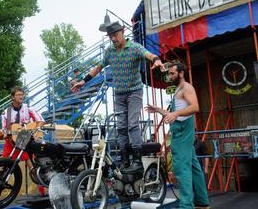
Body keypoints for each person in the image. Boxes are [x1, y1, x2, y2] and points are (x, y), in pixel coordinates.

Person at [71, 21, 164, 173]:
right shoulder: (109, 51)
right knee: (121, 126)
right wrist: (83, 81)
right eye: (110, 36)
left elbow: (148, 54)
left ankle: (137, 160)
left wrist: (157, 60)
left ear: (123, 32)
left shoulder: (134, 47)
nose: (113, 39)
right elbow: (98, 67)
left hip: (134, 91)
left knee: (133, 124)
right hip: (119, 93)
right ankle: (125, 159)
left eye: (115, 35)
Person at [145, 62, 209, 209]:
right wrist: (158, 110)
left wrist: (177, 113)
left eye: (173, 73)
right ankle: (202, 200)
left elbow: (195, 107)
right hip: (182, 129)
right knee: (193, 167)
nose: (170, 75)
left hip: (182, 132)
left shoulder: (186, 87)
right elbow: (175, 114)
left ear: (181, 73)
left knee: (181, 168)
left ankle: (186, 205)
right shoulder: (179, 89)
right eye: (170, 73)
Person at [0, 86, 46, 196]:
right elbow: (5, 131)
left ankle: (43, 192)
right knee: (3, 167)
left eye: (21, 95)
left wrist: (36, 130)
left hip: (26, 140)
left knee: (32, 167)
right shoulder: (6, 113)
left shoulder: (28, 108)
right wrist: (1, 135)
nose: (21, 97)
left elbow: (40, 121)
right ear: (13, 97)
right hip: (11, 142)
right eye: (18, 95)